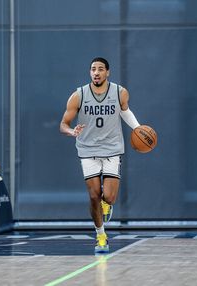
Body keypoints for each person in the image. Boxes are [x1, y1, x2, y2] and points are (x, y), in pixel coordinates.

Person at [60, 57, 140, 254]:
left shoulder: (119, 92)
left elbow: (125, 112)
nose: (96, 72)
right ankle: (101, 235)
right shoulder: (78, 95)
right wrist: (72, 132)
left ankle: (107, 205)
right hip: (88, 149)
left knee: (110, 197)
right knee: (94, 195)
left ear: (108, 72)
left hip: (112, 148)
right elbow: (63, 124)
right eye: (93, 69)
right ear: (90, 72)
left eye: (100, 69)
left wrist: (139, 129)